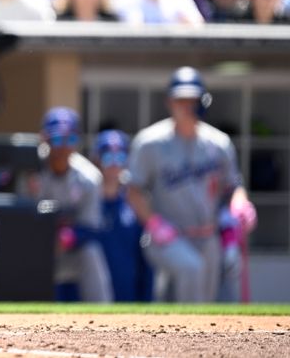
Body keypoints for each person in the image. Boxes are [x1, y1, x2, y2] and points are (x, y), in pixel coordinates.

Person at [126, 67, 257, 302]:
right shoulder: (150, 143)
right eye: (181, 99)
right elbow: (133, 190)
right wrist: (153, 222)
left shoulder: (218, 143)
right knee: (191, 269)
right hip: (167, 236)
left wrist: (241, 202)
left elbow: (233, 185)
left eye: (193, 99)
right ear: (169, 101)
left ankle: (172, 337)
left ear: (203, 101)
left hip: (208, 236)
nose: (187, 106)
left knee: (202, 301)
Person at [27, 107, 112, 302]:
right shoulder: (28, 168)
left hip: (68, 249)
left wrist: (66, 238)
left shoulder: (89, 177)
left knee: (91, 253)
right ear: (44, 139)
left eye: (70, 139)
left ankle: (103, 317)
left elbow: (92, 227)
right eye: (57, 139)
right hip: (34, 246)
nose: (63, 147)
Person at [93, 130, 153, 302]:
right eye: (107, 157)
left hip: (128, 293)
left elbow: (145, 258)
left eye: (120, 157)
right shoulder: (88, 201)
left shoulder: (136, 202)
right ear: (97, 161)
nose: (114, 164)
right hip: (92, 297)